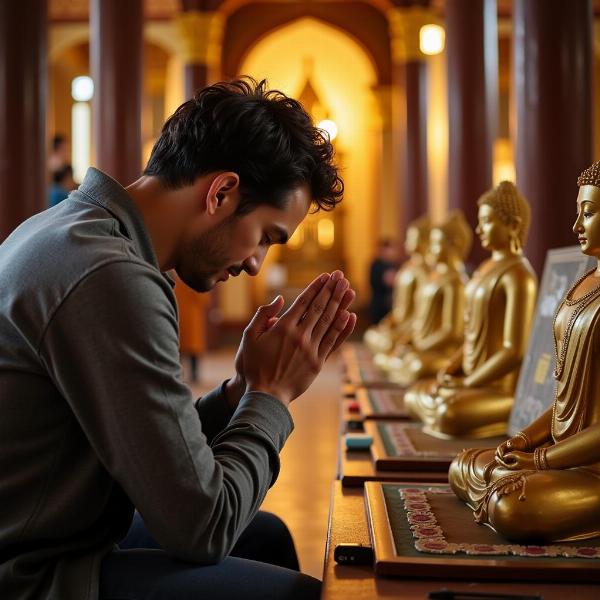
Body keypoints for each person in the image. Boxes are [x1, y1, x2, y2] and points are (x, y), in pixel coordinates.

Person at [0, 78, 357, 600]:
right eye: (265, 236)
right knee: (295, 595)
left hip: (57, 534)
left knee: (268, 536)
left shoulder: (75, 230)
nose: (257, 261)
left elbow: (153, 449)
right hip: (34, 573)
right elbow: (202, 527)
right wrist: (271, 396)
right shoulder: (108, 276)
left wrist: (239, 391)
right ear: (221, 192)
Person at [449, 162, 600, 543]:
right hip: (562, 452)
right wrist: (525, 441)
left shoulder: (517, 274)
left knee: (513, 504)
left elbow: (512, 351)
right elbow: (567, 404)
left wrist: (539, 460)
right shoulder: (586, 282)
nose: (576, 226)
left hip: (591, 468)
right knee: (466, 464)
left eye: (588, 213)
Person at [404, 182, 537, 439]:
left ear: (512, 225)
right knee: (416, 393)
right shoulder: (484, 270)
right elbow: (470, 336)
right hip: (470, 382)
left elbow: (513, 351)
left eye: (487, 221)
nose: (479, 229)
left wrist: (468, 382)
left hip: (497, 389)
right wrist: (453, 367)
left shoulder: (519, 276)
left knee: (449, 413)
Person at [367, 238, 397, 324]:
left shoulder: (394, 264)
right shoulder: (375, 265)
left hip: (391, 304)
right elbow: (374, 282)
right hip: (378, 304)